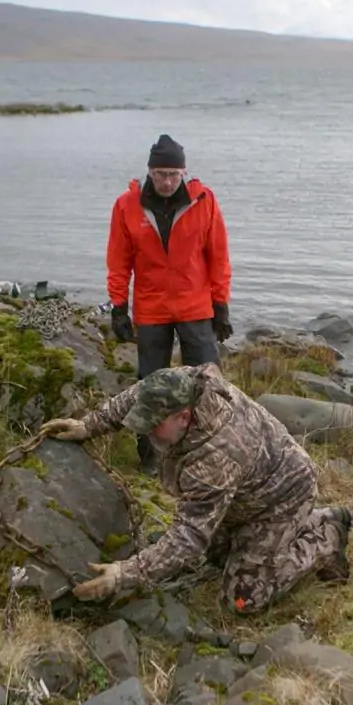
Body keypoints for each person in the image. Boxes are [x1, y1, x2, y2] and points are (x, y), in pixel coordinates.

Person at [40, 363, 352, 613]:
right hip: (242, 491)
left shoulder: (217, 454)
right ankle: (264, 538)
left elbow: (189, 536)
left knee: (243, 598)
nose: (144, 429)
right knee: (216, 559)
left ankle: (325, 535)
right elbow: (142, 394)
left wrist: (125, 574)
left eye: (153, 424)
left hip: (282, 496)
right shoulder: (184, 384)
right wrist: (89, 425)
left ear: (183, 417)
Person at [105, 134, 233, 474]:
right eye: (160, 173)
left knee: (209, 383)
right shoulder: (126, 206)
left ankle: (211, 450)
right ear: (149, 172)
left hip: (195, 305)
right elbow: (119, 261)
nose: (166, 181)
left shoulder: (204, 201)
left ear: (183, 173)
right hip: (151, 308)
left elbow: (218, 256)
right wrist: (119, 307)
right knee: (150, 383)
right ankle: (151, 457)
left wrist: (220, 305)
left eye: (173, 174)